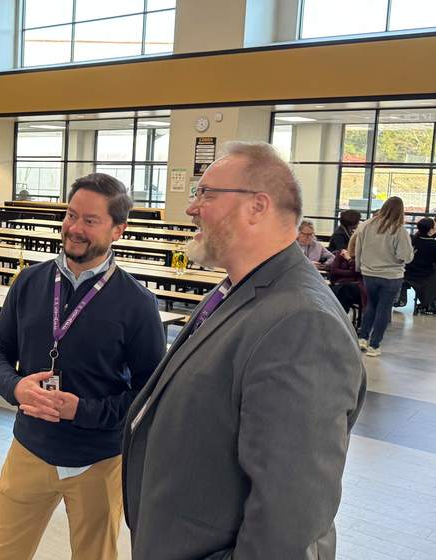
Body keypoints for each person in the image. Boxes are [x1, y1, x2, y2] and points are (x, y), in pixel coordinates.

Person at [123, 142, 366, 560]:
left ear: (258, 206)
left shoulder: (303, 323)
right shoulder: (238, 289)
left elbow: (288, 518)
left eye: (206, 194)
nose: (192, 208)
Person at [0, 173, 165, 560]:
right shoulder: (29, 282)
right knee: (3, 553)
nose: (75, 228)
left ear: (118, 230)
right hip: (29, 447)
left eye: (90, 220)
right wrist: (15, 387)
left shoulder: (138, 304)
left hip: (97, 461)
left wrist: (82, 410)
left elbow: (150, 396)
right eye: (71, 215)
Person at [354, 196, 413, 356]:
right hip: (391, 275)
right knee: (384, 309)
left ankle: (363, 337)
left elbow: (358, 249)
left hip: (369, 273)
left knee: (371, 305)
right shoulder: (399, 230)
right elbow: (405, 256)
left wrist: (359, 267)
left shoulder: (366, 225)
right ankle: (374, 345)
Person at [403, 218, 436, 315]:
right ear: (431, 230)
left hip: (408, 272)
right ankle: (431, 302)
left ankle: (427, 303)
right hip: (425, 275)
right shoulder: (435, 244)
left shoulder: (413, 239)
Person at [328, 233, 366, 317]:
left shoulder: (364, 256)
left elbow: (359, 271)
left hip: (356, 286)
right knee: (331, 290)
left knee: (345, 290)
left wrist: (349, 259)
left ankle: (338, 317)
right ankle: (334, 317)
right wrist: (352, 272)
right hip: (340, 284)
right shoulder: (342, 253)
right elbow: (334, 270)